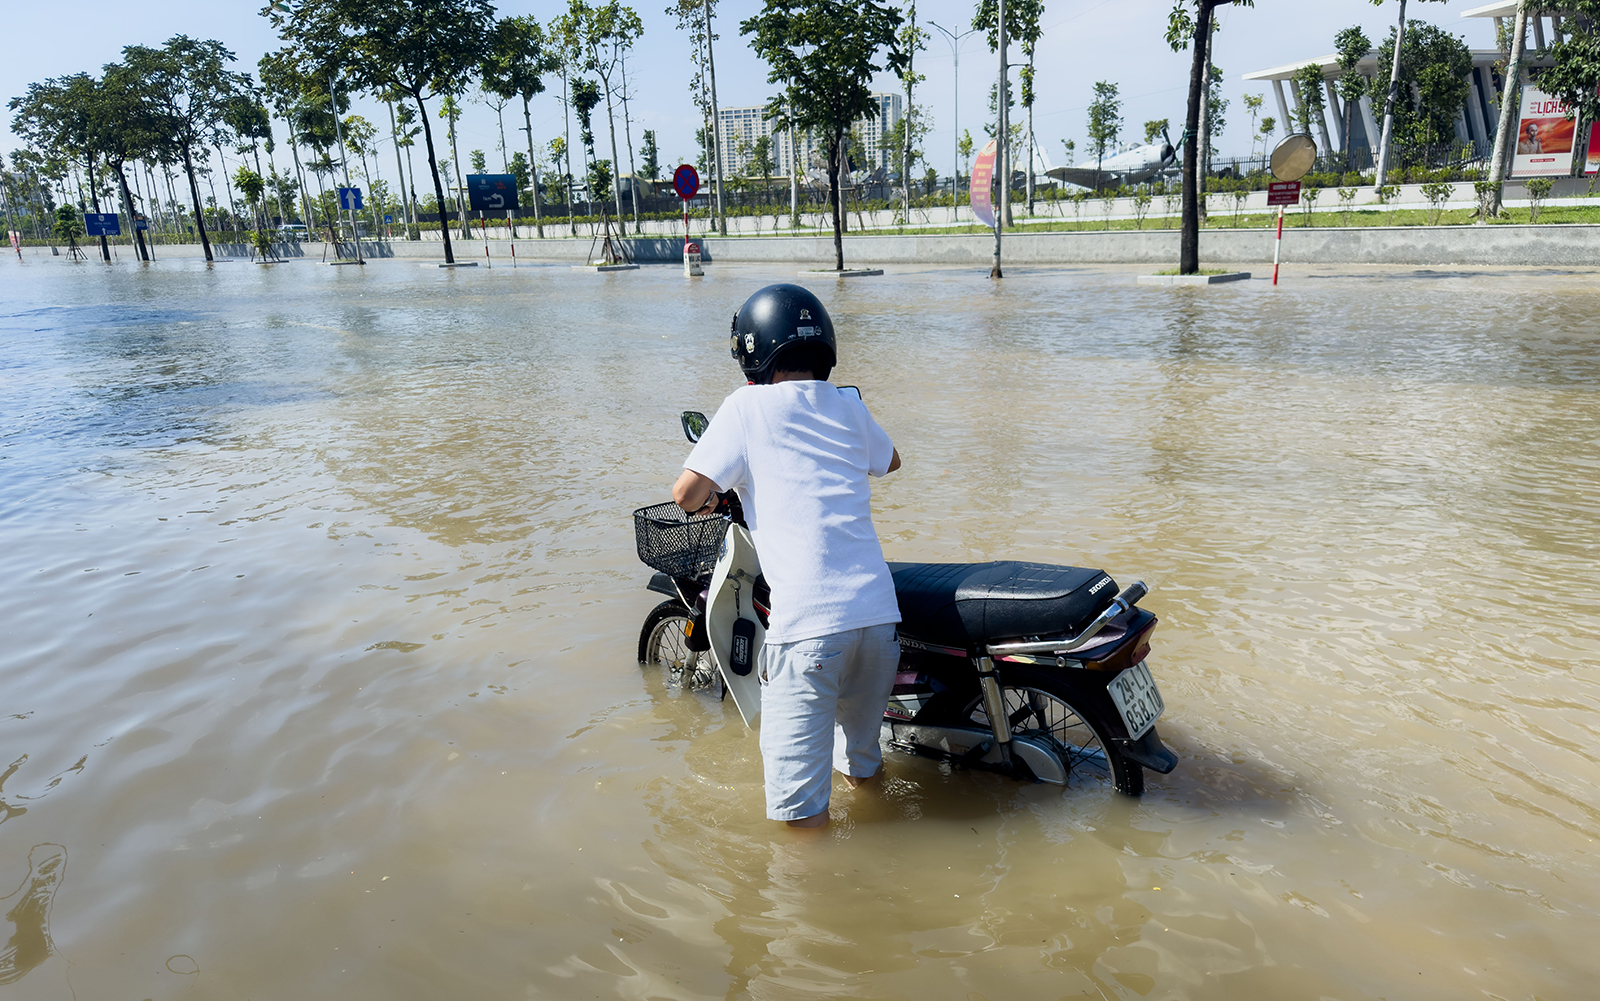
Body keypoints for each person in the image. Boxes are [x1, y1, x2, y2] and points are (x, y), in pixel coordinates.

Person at [672, 284, 902, 829]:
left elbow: (686, 494)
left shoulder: (745, 407)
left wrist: (733, 485)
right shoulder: (848, 402)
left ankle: (811, 909)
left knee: (797, 820)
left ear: (753, 353)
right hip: (879, 621)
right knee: (863, 770)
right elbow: (890, 461)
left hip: (810, 630)